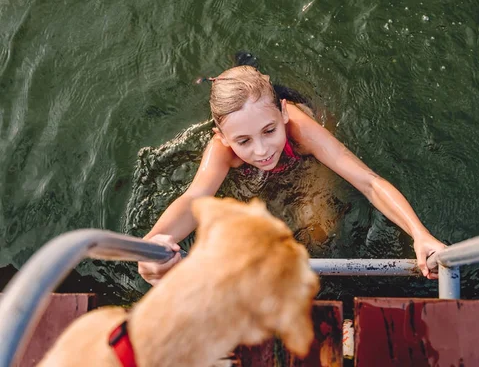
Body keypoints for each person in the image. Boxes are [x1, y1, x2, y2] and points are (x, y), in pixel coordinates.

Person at [138, 64, 445, 286]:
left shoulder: (299, 130)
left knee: (318, 231)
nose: (261, 151)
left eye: (269, 131)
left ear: (283, 113)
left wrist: (420, 234)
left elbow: (368, 181)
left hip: (301, 157)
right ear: (221, 135)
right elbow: (194, 198)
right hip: (247, 120)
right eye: (243, 141)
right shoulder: (221, 150)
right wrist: (152, 245)